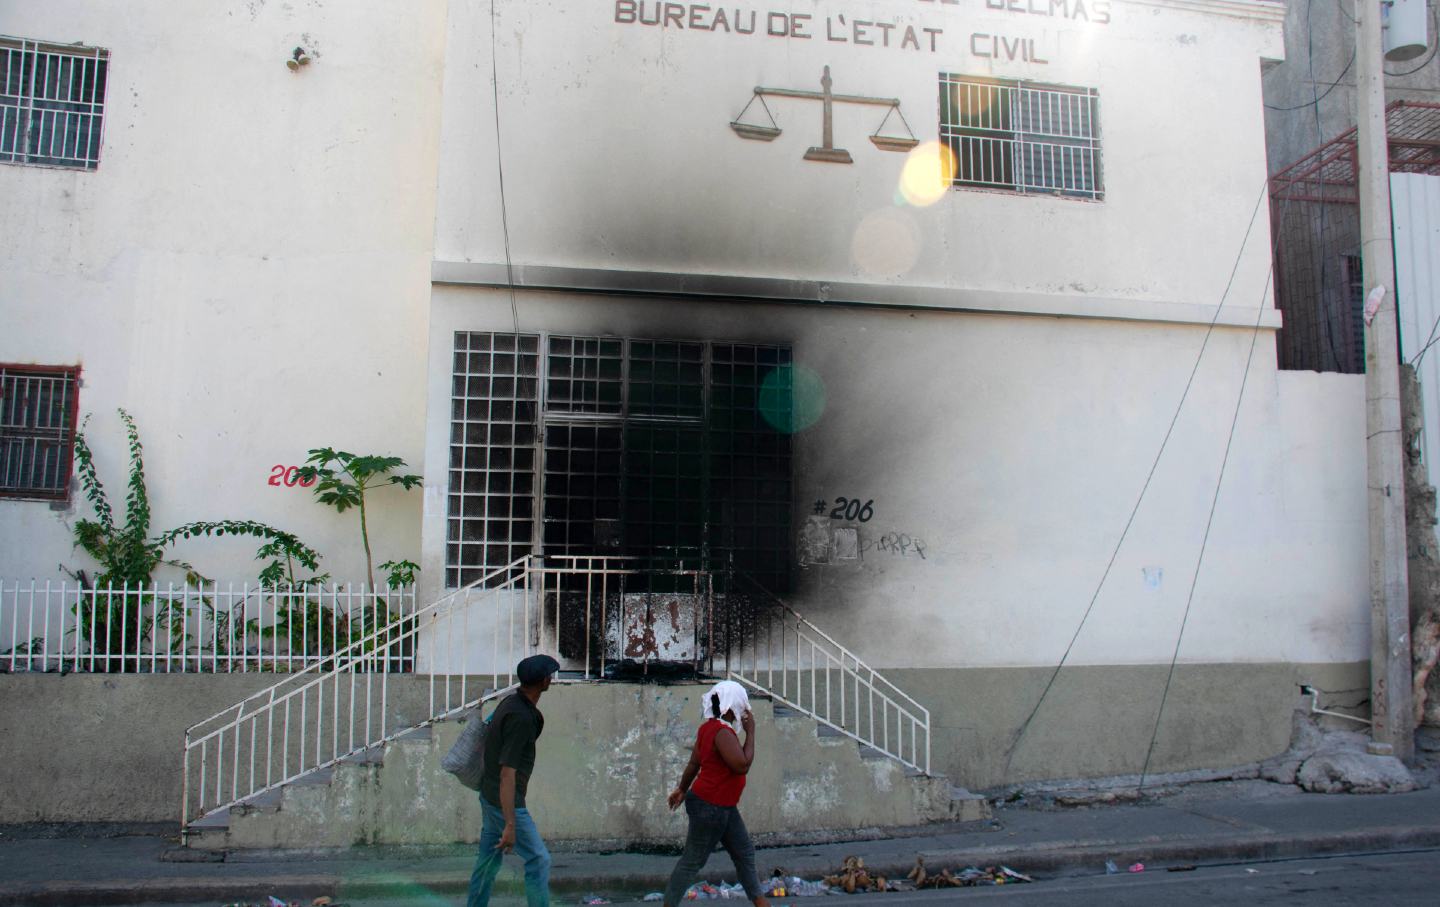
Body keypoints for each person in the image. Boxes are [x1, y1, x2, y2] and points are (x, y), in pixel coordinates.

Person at [661, 680, 771, 907]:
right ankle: (668, 904)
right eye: (741, 705)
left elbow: (694, 764)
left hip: (723, 805)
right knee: (693, 860)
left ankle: (760, 902)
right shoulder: (722, 733)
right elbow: (742, 765)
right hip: (711, 806)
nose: (745, 711)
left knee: (743, 852)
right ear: (731, 706)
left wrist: (682, 789)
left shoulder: (708, 728)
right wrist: (751, 733)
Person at [467, 653, 560, 907]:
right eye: (549, 675)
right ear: (542, 681)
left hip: (490, 795)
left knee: (488, 860)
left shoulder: (511, 702)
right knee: (539, 859)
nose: (551, 678)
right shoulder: (520, 717)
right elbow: (507, 773)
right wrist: (510, 823)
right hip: (504, 801)